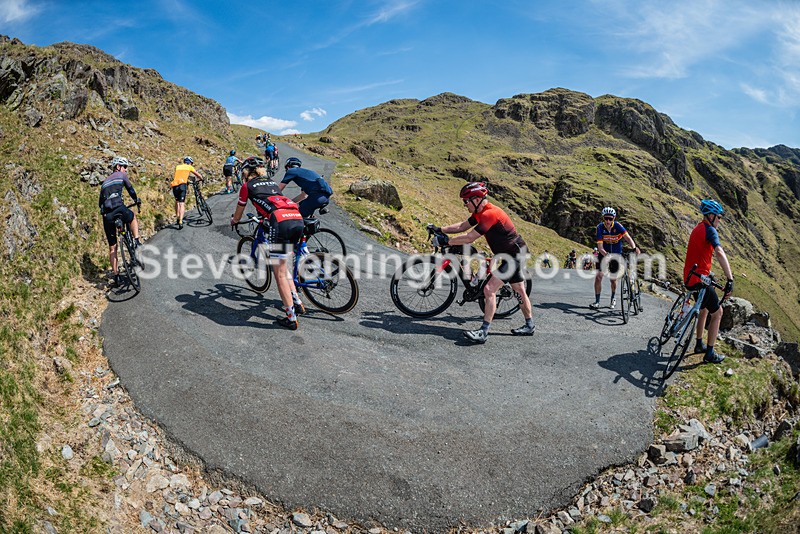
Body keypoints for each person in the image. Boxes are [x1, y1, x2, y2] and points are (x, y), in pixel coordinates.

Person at [434, 182, 534, 343]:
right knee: (519, 290)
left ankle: (483, 332)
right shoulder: (479, 212)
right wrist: (441, 229)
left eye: (466, 201)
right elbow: (462, 226)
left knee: (489, 289)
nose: (464, 204)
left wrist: (446, 242)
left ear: (476, 199)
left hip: (515, 256)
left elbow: (469, 238)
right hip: (511, 253)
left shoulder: (490, 214)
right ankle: (530, 325)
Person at [230, 157, 306, 330]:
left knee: (279, 272)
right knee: (284, 267)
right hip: (296, 218)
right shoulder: (271, 182)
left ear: (246, 172)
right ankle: (297, 302)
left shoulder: (247, 186)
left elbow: (239, 211)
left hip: (280, 222)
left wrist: (234, 221)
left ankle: (291, 317)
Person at [684, 199, 734, 364]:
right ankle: (710, 353)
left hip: (690, 277)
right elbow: (719, 252)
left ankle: (699, 344)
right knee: (718, 313)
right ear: (711, 216)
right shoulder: (710, 230)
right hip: (700, 280)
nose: (719, 220)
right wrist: (730, 278)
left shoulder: (697, 228)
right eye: (718, 217)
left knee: (704, 309)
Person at [99, 156, 141, 287]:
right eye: (125, 167)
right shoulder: (121, 176)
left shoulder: (104, 182)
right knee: (132, 216)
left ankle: (116, 276)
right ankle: (137, 241)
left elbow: (100, 203)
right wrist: (136, 200)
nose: (126, 170)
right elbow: (131, 190)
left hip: (107, 216)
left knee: (112, 247)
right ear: (118, 167)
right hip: (119, 208)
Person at [589, 207, 640, 310]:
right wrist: (606, 254)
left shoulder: (618, 226)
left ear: (614, 218)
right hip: (604, 254)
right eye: (606, 218)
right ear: (603, 218)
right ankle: (597, 301)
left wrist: (634, 248)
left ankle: (613, 298)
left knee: (613, 279)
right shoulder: (600, 228)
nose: (608, 221)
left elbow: (628, 238)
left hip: (616, 255)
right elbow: (600, 247)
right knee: (598, 277)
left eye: (610, 219)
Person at [169, 156, 203, 229]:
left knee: (177, 201)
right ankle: (181, 221)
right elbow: (197, 175)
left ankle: (177, 217)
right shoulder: (189, 167)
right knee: (182, 203)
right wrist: (201, 179)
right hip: (182, 185)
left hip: (175, 185)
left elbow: (179, 175)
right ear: (190, 163)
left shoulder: (178, 167)